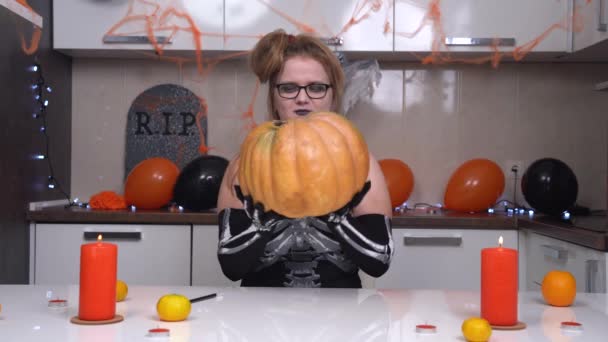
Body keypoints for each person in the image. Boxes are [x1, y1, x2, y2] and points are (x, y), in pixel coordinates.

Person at [216, 29, 393, 288]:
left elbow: (379, 263)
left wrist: (338, 217)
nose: (302, 98)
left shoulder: (361, 165)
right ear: (274, 96)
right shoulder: (245, 165)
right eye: (288, 88)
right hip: (258, 317)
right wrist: (263, 222)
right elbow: (231, 268)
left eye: (317, 88)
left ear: (333, 95)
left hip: (342, 318)